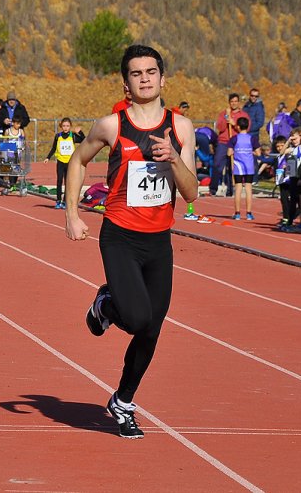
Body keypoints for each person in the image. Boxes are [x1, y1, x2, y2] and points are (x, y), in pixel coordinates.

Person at [64, 45, 198, 439]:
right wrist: (72, 214)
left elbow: (190, 194)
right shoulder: (111, 125)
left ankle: (123, 401)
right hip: (120, 235)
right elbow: (77, 161)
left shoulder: (182, 127)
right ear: (126, 82)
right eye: (136, 73)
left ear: (162, 78)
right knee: (138, 318)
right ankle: (106, 302)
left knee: (151, 330)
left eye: (151, 72)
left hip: (159, 241)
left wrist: (174, 158)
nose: (144, 78)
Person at [211, 93, 250, 197]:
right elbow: (220, 127)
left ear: (238, 102)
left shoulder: (243, 115)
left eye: (235, 101)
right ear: (229, 102)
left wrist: (234, 124)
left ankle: (230, 190)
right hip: (223, 142)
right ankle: (213, 189)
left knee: (232, 167)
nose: (233, 103)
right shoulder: (224, 113)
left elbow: (246, 129)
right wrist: (227, 117)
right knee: (217, 164)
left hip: (236, 143)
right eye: (232, 101)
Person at [44, 117, 84, 209]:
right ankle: (58, 201)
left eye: (67, 126)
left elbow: (84, 140)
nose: (65, 128)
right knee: (59, 181)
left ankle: (65, 201)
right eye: (64, 126)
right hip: (60, 161)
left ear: (70, 127)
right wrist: (48, 157)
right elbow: (54, 148)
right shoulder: (58, 136)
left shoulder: (73, 136)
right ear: (61, 126)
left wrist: (80, 132)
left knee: (68, 182)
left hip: (70, 162)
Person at [227, 116, 261, 220]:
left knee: (238, 189)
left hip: (238, 167)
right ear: (248, 126)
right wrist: (250, 152)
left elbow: (229, 153)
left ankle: (237, 213)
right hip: (249, 167)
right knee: (248, 189)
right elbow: (258, 153)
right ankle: (249, 213)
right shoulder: (252, 138)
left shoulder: (234, 138)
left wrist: (235, 151)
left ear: (237, 126)